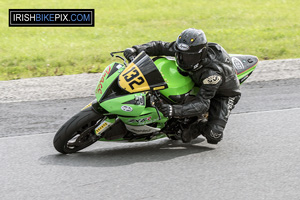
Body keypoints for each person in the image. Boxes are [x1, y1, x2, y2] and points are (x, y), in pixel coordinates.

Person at [123, 28, 241, 144]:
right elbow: (160, 46)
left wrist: (174, 110)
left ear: (201, 54)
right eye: (180, 54)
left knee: (214, 135)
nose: (183, 59)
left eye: (189, 57)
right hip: (196, 79)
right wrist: (136, 49)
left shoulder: (212, 74)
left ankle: (199, 123)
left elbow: (203, 104)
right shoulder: (185, 50)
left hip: (223, 94)